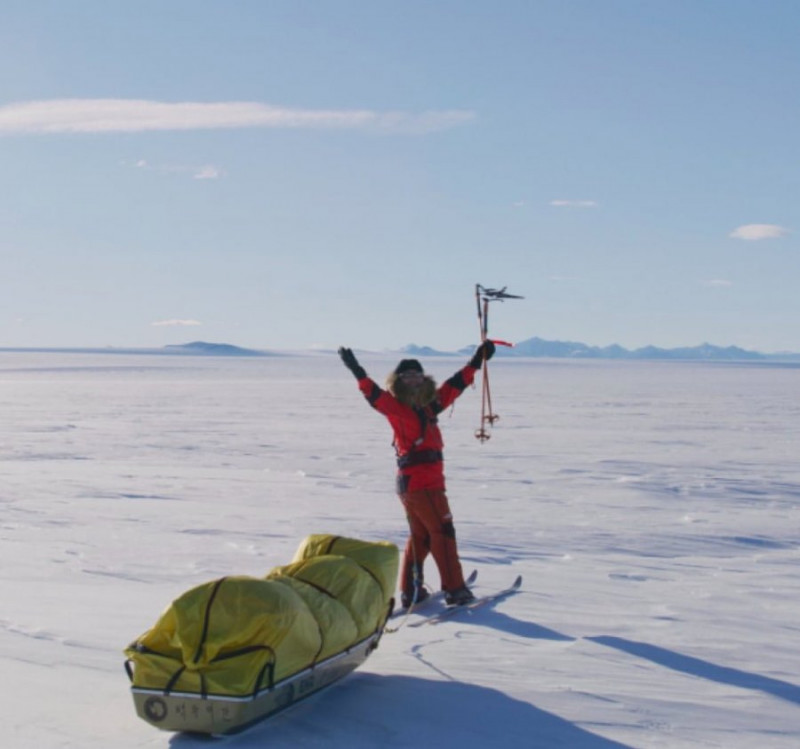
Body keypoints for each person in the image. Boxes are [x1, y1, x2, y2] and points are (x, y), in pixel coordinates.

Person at [338, 341, 495, 608]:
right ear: (399, 380)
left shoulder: (429, 405)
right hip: (421, 483)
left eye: (417, 375)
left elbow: (453, 387)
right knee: (443, 531)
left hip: (419, 482)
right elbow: (374, 396)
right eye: (407, 375)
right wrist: (358, 371)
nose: (413, 379)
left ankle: (411, 590)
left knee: (421, 535)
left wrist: (476, 361)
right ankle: (455, 590)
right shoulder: (396, 406)